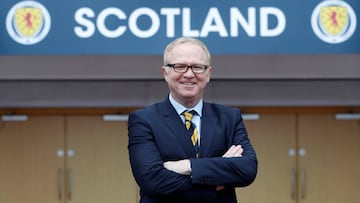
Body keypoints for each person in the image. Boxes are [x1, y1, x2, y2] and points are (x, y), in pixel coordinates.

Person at [128, 37, 257, 203]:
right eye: (179, 66)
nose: (189, 74)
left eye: (197, 67)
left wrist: (188, 166)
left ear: (208, 74)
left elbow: (247, 169)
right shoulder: (143, 120)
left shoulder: (229, 118)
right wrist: (218, 175)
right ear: (165, 73)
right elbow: (152, 180)